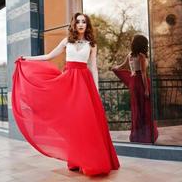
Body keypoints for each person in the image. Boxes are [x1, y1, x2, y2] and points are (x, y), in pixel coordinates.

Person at [12, 12, 120, 176]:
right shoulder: (66, 42)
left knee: (85, 122)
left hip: (84, 85)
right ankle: (77, 160)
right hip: (68, 83)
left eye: (84, 22)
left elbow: (93, 67)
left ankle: (89, 161)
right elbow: (48, 56)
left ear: (87, 25)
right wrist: (27, 58)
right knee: (73, 122)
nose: (81, 24)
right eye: (78, 22)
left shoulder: (91, 44)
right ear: (74, 24)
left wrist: (96, 90)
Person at [112, 34, 158, 143]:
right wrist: (146, 89)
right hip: (141, 83)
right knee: (144, 109)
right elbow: (143, 74)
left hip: (133, 83)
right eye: (145, 43)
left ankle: (136, 136)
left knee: (137, 109)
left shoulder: (130, 55)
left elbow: (122, 66)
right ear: (142, 45)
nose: (147, 45)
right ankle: (145, 136)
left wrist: (114, 68)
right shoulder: (141, 56)